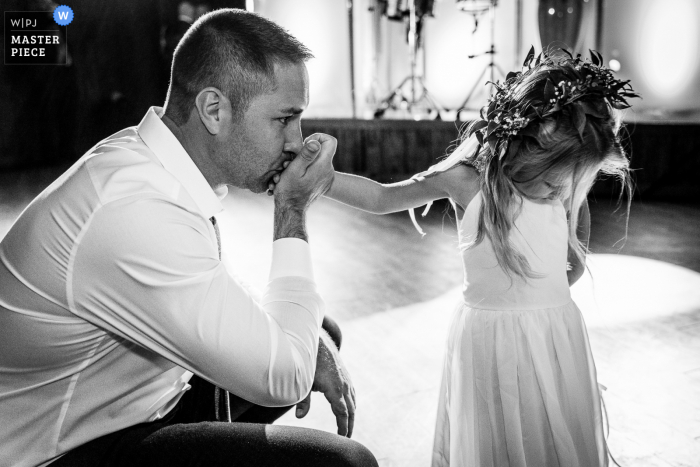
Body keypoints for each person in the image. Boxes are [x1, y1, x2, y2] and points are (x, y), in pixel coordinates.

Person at [0, 9, 377, 467]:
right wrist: (292, 209)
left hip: (135, 400)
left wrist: (307, 346)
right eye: (284, 119)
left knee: (317, 333)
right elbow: (286, 378)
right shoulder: (133, 209)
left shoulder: (155, 160)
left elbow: (208, 279)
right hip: (64, 450)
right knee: (346, 462)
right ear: (214, 110)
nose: (298, 142)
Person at [322, 48, 637, 466]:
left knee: (551, 439)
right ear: (533, 147)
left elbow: (572, 264)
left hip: (554, 338)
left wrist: (542, 306)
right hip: (489, 339)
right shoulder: (466, 181)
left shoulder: (563, 183)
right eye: (556, 181)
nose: (563, 192)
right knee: (495, 437)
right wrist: (322, 179)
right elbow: (382, 197)